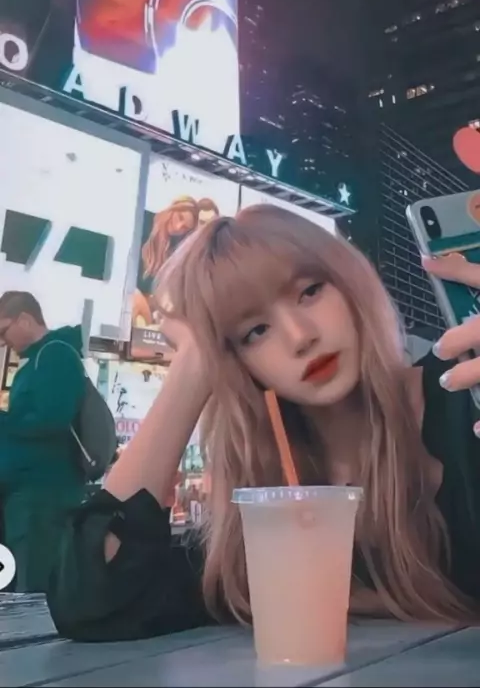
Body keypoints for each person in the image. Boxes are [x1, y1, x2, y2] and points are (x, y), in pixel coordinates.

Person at [46, 206, 480, 640]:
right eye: (254, 331)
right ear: (236, 361)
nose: (300, 336)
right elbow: (90, 602)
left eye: (310, 292)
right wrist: (194, 365)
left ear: (351, 284)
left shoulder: (466, 393)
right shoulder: (262, 514)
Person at [0, 292, 86, 592]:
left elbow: (52, 417)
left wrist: (3, 420)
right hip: (29, 497)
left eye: (3, 331)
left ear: (25, 319)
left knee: (33, 587)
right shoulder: (38, 360)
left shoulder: (56, 355)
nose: (4, 341)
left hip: (43, 498)